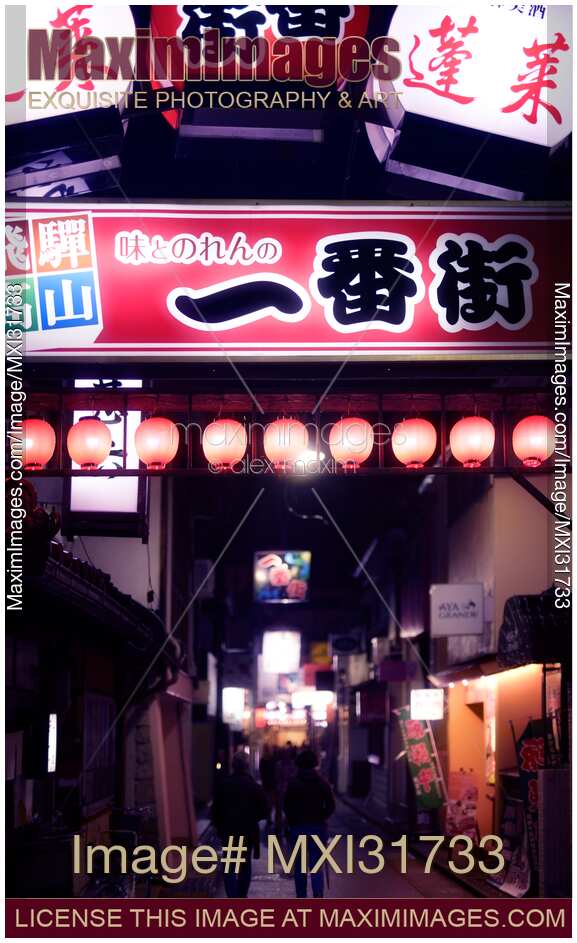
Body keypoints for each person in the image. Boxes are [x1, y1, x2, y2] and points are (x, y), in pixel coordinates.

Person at [211, 752, 268, 898]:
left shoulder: (224, 784)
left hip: (228, 830)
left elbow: (215, 809)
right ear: (247, 766)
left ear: (233, 766)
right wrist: (252, 818)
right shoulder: (254, 786)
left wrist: (219, 825)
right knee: (244, 864)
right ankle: (242, 896)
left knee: (229, 865)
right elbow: (264, 810)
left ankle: (232, 896)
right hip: (247, 831)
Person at [283, 748, 336, 899]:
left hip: (298, 828)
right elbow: (331, 806)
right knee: (316, 864)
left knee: (299, 865)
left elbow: (286, 806)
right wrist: (322, 816)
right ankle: (318, 894)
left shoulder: (293, 784)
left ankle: (301, 896)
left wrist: (292, 820)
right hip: (318, 828)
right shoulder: (322, 783)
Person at [258, 744, 278, 831]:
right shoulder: (272, 760)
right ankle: (269, 816)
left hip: (266, 783)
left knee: (267, 800)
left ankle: (268, 816)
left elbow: (261, 771)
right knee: (271, 800)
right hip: (272, 783)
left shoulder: (263, 760)